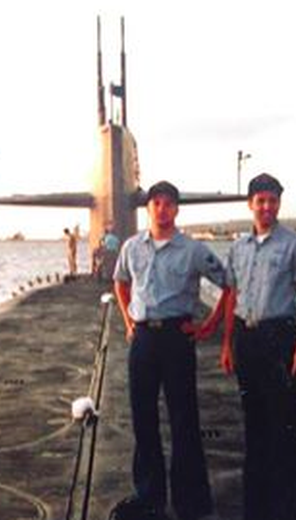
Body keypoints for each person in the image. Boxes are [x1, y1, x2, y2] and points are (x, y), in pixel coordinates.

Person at [113, 180, 229, 520]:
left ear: (176, 209)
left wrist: (209, 325)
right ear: (148, 209)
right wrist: (128, 321)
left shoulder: (193, 250)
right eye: (156, 204)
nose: (162, 210)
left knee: (184, 419)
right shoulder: (132, 248)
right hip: (144, 339)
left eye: (168, 204)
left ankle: (190, 500)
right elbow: (120, 281)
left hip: (178, 338)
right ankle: (150, 497)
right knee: (143, 418)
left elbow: (228, 283)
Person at [220, 173, 296, 520]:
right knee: (255, 428)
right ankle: (257, 510)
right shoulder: (238, 248)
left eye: (272, 200)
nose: (266, 207)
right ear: (250, 204)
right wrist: (227, 344)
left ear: (279, 203)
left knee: (287, 428)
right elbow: (232, 296)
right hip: (247, 341)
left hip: (280, 339)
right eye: (260, 200)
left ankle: (293, 512)